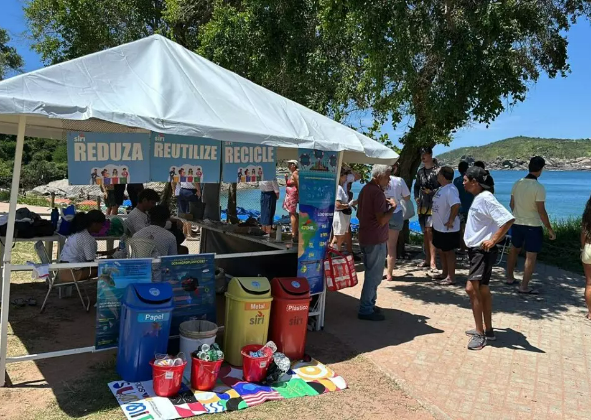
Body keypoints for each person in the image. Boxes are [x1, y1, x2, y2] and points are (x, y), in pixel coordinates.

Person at [463, 166, 514, 350]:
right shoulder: (481, 198)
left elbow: (508, 219)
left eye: (466, 179)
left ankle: (480, 333)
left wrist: (493, 240)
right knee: (482, 289)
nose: (463, 181)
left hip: (481, 251)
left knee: (472, 288)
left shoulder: (485, 198)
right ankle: (488, 330)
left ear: (475, 182)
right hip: (478, 251)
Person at [506, 156, 555, 294]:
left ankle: (509, 277)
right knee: (531, 256)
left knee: (514, 250)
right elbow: (541, 211)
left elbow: (511, 204)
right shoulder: (539, 188)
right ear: (541, 170)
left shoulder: (517, 183)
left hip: (516, 223)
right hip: (532, 225)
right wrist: (550, 229)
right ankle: (524, 286)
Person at [357, 164, 397, 321]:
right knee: (374, 275)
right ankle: (366, 308)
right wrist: (393, 208)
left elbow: (361, 214)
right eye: (387, 177)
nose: (389, 181)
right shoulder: (377, 193)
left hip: (366, 236)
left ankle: (369, 303)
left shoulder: (365, 190)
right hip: (375, 239)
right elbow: (381, 220)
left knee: (371, 273)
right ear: (379, 176)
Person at [58, 210, 115, 281]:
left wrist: (106, 253)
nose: (102, 227)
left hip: (61, 269)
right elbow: (91, 262)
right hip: (72, 273)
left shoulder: (77, 233)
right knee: (109, 268)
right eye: (101, 224)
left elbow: (86, 254)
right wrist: (110, 260)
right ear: (95, 224)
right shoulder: (88, 239)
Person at [430, 166, 461, 285]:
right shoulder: (442, 188)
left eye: (438, 174)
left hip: (447, 228)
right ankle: (444, 273)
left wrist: (451, 220)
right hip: (438, 227)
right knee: (441, 250)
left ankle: (451, 277)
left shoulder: (451, 189)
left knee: (449, 252)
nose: (437, 176)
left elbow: (456, 205)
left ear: (443, 176)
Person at [384, 164, 411, 281]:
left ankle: (378, 271)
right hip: (396, 212)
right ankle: (389, 273)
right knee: (391, 246)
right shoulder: (399, 180)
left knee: (380, 245)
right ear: (395, 168)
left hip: (382, 213)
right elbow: (407, 197)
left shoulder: (380, 180)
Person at [414, 147, 439, 271]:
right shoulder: (420, 171)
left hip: (434, 206)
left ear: (430, 155)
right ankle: (427, 259)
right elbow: (416, 186)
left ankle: (433, 261)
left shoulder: (438, 170)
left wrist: (431, 191)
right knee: (425, 232)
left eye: (424, 154)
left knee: (430, 232)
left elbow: (443, 187)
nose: (422, 157)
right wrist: (416, 197)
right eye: (421, 154)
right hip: (422, 205)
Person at [331, 169, 356, 251]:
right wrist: (348, 205)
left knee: (340, 237)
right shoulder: (338, 188)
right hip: (339, 215)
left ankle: (335, 252)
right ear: (341, 176)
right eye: (345, 175)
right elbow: (337, 205)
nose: (346, 177)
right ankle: (332, 253)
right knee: (338, 237)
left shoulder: (341, 187)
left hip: (343, 215)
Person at [454, 161, 473, 252]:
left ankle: (462, 248)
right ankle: (470, 247)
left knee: (461, 228)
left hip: (461, 207)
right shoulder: (471, 180)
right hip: (471, 207)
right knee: (471, 228)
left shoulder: (456, 181)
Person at [283, 160, 299, 244]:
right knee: (291, 213)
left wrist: (299, 194)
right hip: (290, 196)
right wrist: (286, 179)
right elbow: (290, 184)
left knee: (292, 214)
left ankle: (294, 234)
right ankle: (294, 233)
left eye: (289, 164)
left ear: (294, 165)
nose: (288, 166)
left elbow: (298, 184)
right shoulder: (293, 174)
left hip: (293, 196)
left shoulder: (295, 173)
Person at [580, 196, 591, 320]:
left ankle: (590, 313)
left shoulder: (587, 216)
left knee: (589, 283)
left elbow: (583, 234)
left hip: (588, 247)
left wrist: (583, 248)